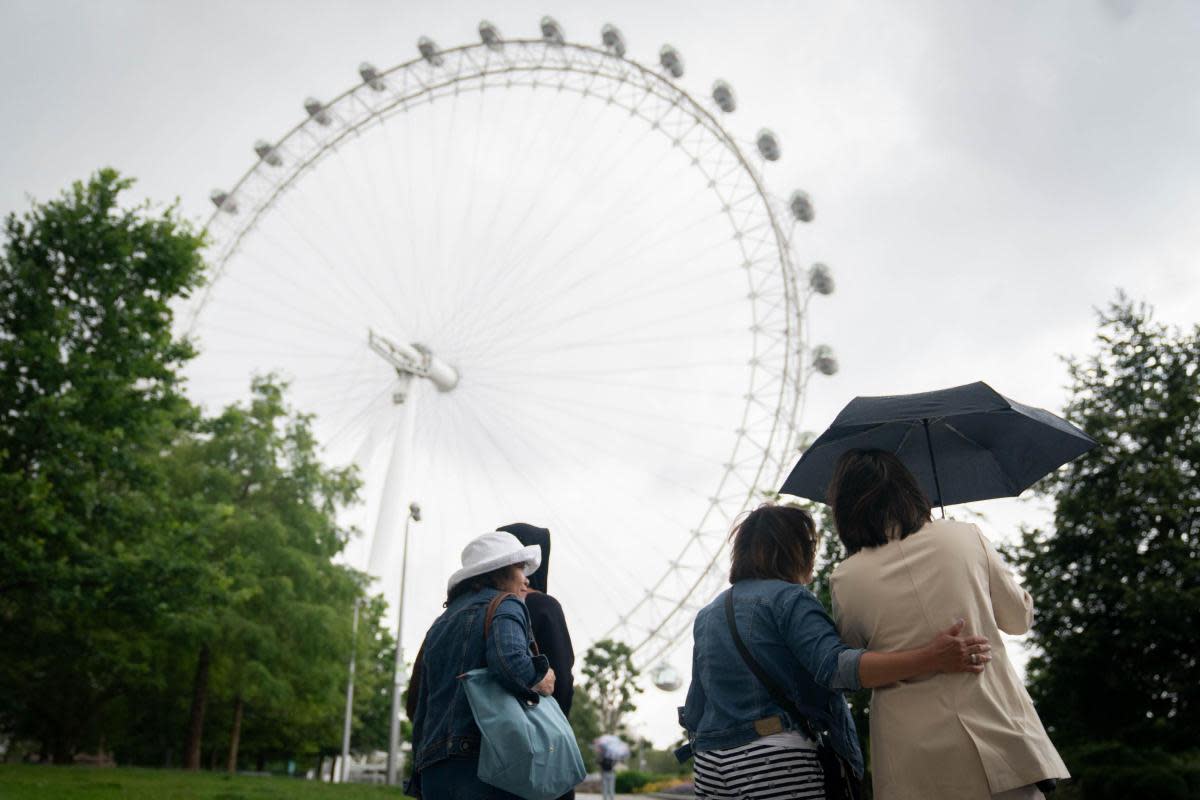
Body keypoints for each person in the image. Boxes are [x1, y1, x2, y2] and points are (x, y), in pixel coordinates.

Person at [679, 503, 992, 800]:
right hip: (773, 760)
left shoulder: (709, 614)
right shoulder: (789, 599)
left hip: (710, 765)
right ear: (793, 550)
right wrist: (931, 657)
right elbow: (837, 668)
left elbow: (695, 707)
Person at [828, 449, 1070, 799]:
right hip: (997, 741)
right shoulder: (965, 537)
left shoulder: (845, 579)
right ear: (908, 489)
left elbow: (857, 664)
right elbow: (1018, 620)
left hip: (912, 761)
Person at [405, 530, 556, 799]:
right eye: (520, 567)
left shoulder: (439, 624)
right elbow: (510, 664)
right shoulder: (506, 604)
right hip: (486, 765)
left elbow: (421, 704)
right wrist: (540, 678)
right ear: (499, 571)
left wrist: (418, 772)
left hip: (434, 768)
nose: (526, 578)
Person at [498, 522, 578, 800]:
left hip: (481, 754)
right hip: (535, 751)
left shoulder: (466, 612)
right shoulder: (543, 606)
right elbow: (563, 682)